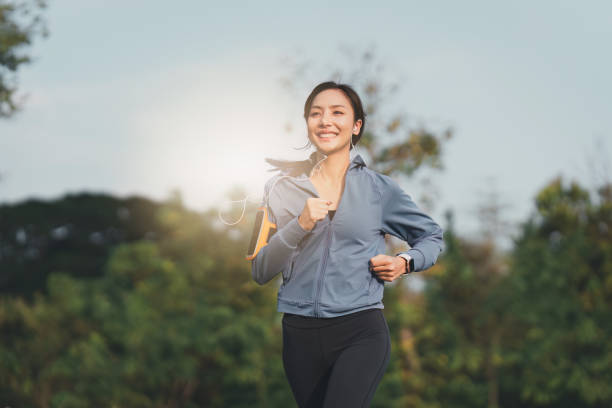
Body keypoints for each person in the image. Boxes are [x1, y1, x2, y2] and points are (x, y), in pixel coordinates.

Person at [251, 81, 444, 407]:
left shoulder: (379, 190)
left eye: (337, 113)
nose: (325, 120)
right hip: (299, 335)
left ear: (356, 126)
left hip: (360, 330)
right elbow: (260, 267)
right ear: (308, 123)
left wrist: (404, 261)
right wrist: (300, 225)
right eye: (316, 114)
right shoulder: (278, 189)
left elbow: (432, 237)